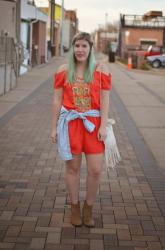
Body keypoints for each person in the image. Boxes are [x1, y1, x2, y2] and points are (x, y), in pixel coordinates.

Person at [51, 32, 111, 227]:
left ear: (90, 48)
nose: (80, 50)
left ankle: (88, 208)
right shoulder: (63, 70)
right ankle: (74, 207)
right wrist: (53, 127)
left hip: (93, 124)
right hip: (71, 124)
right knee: (72, 168)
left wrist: (103, 125)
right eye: (77, 46)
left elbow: (105, 99)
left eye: (84, 46)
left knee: (95, 170)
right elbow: (57, 100)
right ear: (73, 48)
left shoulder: (101, 71)